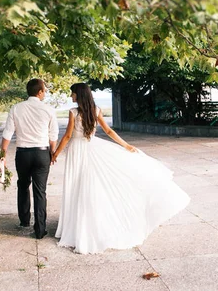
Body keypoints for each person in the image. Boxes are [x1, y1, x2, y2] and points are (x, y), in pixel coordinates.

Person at [52, 83, 190, 254]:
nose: (71, 96)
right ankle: (85, 224)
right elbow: (108, 131)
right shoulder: (96, 110)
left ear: (78, 95)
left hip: (77, 150)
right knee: (87, 186)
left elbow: (67, 136)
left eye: (72, 93)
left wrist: (55, 154)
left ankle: (76, 226)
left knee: (76, 186)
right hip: (91, 147)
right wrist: (125, 145)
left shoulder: (73, 112)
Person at [0, 78, 59, 239]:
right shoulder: (48, 110)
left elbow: (7, 133)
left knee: (23, 185)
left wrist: (2, 156)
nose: (45, 93)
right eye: (44, 90)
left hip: (23, 154)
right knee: (40, 191)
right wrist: (52, 153)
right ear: (39, 92)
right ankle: (40, 229)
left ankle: (24, 220)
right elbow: (53, 135)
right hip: (41, 153)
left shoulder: (16, 108)